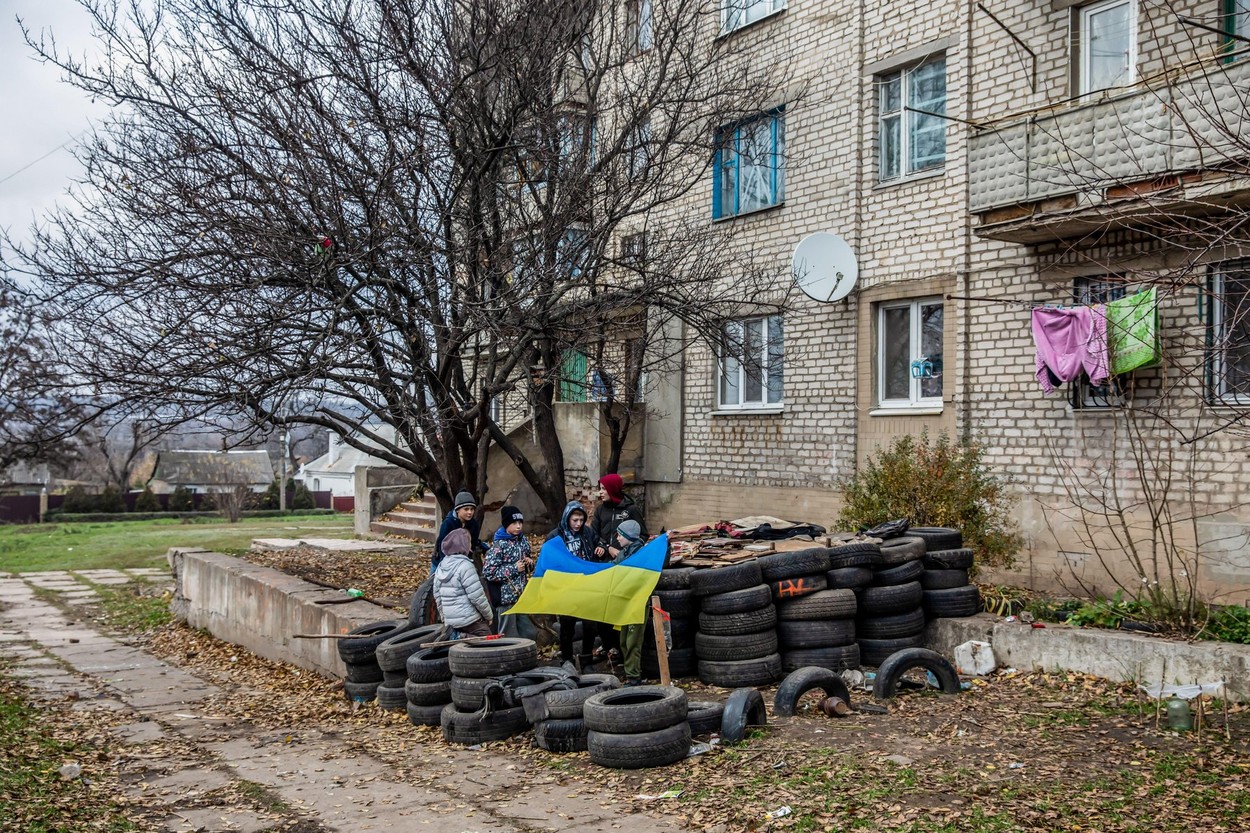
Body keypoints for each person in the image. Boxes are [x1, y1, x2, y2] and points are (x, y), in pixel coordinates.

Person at [546, 501, 598, 668]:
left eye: (581, 520)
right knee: (567, 626)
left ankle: (586, 660)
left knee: (590, 624)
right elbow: (547, 560)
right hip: (565, 588)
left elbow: (598, 543)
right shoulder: (555, 536)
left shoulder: (588, 532)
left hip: (586, 585)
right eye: (575, 520)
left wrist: (602, 548)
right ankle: (567, 660)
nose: (578, 524)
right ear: (567, 518)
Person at [482, 505, 536, 640]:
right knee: (508, 636)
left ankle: (526, 657)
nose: (518, 526)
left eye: (520, 523)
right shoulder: (499, 545)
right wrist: (513, 568)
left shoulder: (522, 541)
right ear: (506, 524)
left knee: (530, 633)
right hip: (505, 599)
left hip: (521, 596)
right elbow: (489, 572)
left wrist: (529, 563)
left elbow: (527, 563)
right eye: (514, 523)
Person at [431, 528, 494, 639]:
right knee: (486, 640)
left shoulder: (441, 566)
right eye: (468, 542)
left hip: (451, 620)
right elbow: (477, 596)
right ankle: (462, 637)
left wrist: (445, 619)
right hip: (469, 619)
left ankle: (455, 636)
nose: (470, 545)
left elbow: (437, 596)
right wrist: (488, 615)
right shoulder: (465, 566)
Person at [612, 519, 648, 686]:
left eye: (620, 535)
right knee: (624, 640)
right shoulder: (624, 552)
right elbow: (613, 567)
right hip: (625, 602)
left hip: (637, 602)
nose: (617, 538)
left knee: (633, 641)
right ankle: (630, 674)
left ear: (628, 536)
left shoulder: (641, 553)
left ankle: (634, 678)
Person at [590, 473, 647, 560]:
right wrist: (606, 547)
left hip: (626, 560)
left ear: (613, 489)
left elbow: (643, 536)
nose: (600, 492)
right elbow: (593, 534)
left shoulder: (631, 509)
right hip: (604, 559)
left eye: (604, 489)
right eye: (600, 488)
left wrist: (626, 551)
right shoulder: (600, 510)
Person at [433, 491, 481, 572]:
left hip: (463, 563)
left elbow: (473, 543)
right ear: (458, 510)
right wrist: (443, 566)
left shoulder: (473, 524)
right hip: (442, 562)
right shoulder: (448, 523)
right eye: (466, 509)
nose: (470, 512)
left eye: (472, 509)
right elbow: (441, 545)